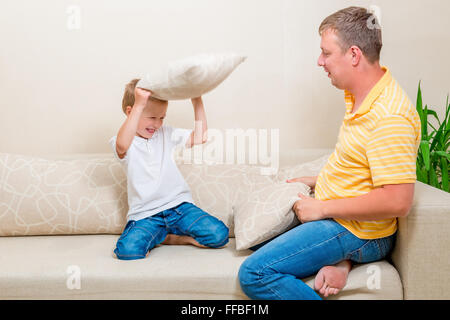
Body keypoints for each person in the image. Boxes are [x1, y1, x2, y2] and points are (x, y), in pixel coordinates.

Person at [238, 6, 421, 299]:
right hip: (345, 223)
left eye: (326, 53)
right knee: (256, 236)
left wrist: (322, 208)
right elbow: (359, 165)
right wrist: (315, 180)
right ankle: (342, 263)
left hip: (360, 232)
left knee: (254, 273)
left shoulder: (389, 116)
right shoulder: (359, 95)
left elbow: (398, 200)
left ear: (353, 55)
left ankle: (347, 256)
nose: (319, 61)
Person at [110, 79, 229, 260]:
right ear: (131, 112)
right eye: (151, 118)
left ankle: (172, 238)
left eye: (162, 118)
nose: (157, 124)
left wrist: (197, 100)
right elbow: (121, 146)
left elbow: (200, 136)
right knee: (128, 251)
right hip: (146, 215)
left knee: (219, 235)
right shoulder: (125, 141)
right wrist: (139, 104)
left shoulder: (166, 133)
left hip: (179, 207)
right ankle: (162, 235)